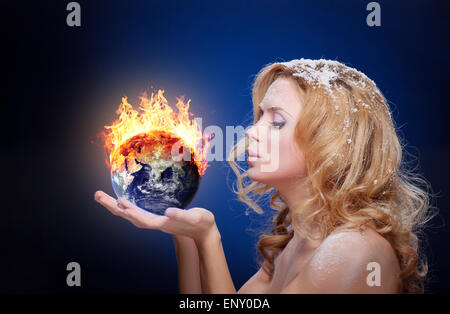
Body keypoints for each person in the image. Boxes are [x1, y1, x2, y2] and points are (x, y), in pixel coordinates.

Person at [94, 58, 435, 294]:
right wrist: (187, 237)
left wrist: (209, 238)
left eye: (276, 121)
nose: (251, 132)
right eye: (259, 117)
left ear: (329, 143)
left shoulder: (354, 250)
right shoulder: (293, 246)